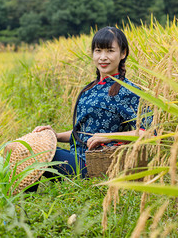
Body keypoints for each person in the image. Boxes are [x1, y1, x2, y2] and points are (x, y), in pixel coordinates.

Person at [32, 26, 151, 179]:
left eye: (110, 51)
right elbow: (84, 133)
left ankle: (22, 201)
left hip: (98, 164)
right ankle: (23, 200)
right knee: (28, 146)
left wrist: (108, 137)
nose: (103, 57)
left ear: (123, 53)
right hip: (77, 158)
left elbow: (147, 133)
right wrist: (54, 136)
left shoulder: (129, 91)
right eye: (98, 51)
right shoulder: (89, 89)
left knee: (34, 153)